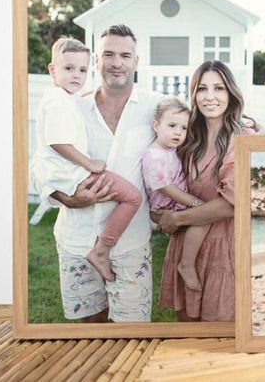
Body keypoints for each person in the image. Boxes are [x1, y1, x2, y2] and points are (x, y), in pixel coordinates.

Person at [45, 25, 162, 323]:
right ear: (96, 61)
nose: (116, 62)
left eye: (125, 55)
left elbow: (200, 127)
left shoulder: (156, 107)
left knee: (131, 333)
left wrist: (253, 130)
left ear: (137, 61)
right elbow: (40, 163)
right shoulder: (73, 107)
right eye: (108, 54)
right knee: (89, 331)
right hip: (77, 237)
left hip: (130, 243)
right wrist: (66, 198)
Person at [31, 37, 142, 283]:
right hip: (75, 178)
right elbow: (57, 143)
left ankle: (101, 249)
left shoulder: (63, 99)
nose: (76, 75)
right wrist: (89, 164)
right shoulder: (59, 102)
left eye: (82, 70)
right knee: (133, 197)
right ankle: (101, 252)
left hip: (69, 177)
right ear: (52, 70)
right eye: (68, 69)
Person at [155, 60, 256, 321]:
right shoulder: (186, 138)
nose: (210, 97)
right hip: (186, 246)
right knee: (187, 329)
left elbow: (233, 203)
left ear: (230, 94)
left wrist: (176, 219)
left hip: (224, 249)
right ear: (194, 95)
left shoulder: (244, 139)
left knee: (220, 332)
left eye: (219, 88)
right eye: (202, 89)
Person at [141, 97, 210, 291]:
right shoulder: (154, 156)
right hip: (166, 207)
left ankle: (189, 261)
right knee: (204, 217)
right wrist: (196, 202)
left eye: (183, 128)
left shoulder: (170, 150)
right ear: (156, 125)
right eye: (172, 125)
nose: (178, 132)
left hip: (175, 204)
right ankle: (186, 264)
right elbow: (167, 188)